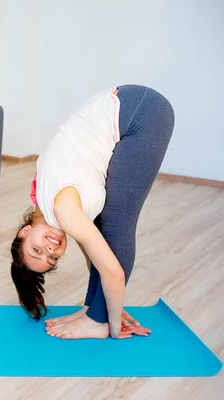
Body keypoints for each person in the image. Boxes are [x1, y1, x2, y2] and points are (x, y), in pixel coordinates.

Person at [10, 84, 175, 339]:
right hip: (133, 104)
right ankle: (92, 310)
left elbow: (114, 273)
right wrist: (102, 303)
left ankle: (96, 322)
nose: (50, 250)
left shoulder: (63, 212)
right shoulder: (42, 206)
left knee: (117, 224)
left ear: (25, 231)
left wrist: (112, 323)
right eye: (52, 258)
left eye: (37, 250)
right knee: (101, 229)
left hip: (141, 115)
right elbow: (93, 252)